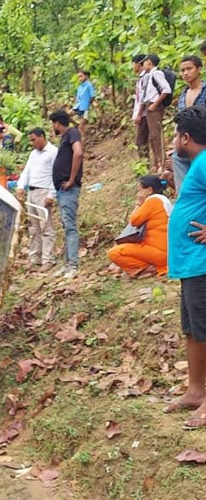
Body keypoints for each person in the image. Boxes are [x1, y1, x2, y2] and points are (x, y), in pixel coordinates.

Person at [163, 106, 206, 429]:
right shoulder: (196, 164)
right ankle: (195, 391)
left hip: (201, 262)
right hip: (190, 263)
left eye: (176, 135)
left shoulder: (204, 162)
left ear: (186, 137)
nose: (174, 141)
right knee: (193, 329)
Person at [107, 175, 171, 277]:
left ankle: (147, 268)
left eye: (140, 190)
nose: (138, 194)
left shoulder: (153, 200)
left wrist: (138, 204)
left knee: (114, 253)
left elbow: (134, 221)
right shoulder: (163, 200)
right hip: (168, 252)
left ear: (149, 190)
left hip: (160, 253)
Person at [15, 128, 59, 273]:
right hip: (32, 191)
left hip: (43, 191)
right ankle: (35, 258)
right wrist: (21, 186)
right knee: (34, 228)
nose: (32, 143)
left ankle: (48, 259)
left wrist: (51, 194)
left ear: (42, 137)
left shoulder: (53, 152)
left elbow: (56, 174)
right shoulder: (33, 154)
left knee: (46, 227)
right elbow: (26, 171)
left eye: (34, 140)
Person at [165, 56, 206, 191]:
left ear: (199, 69)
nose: (185, 73)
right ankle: (184, 194)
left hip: (201, 140)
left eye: (189, 69)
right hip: (186, 140)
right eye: (182, 70)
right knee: (177, 158)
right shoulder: (183, 95)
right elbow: (180, 122)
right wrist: (175, 143)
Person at [50, 110, 83, 278]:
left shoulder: (72, 132)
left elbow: (78, 153)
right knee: (66, 225)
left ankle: (73, 266)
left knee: (70, 226)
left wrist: (71, 180)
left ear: (57, 123)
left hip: (68, 188)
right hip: (62, 189)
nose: (52, 127)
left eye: (53, 124)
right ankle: (68, 263)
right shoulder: (66, 137)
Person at [138, 54, 172, 173]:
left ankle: (162, 162)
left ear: (149, 62)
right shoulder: (150, 75)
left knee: (156, 135)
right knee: (153, 136)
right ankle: (157, 162)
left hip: (154, 106)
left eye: (145, 62)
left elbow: (166, 89)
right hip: (150, 106)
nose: (143, 65)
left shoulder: (156, 74)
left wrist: (155, 104)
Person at [132, 54, 148, 161]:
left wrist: (139, 114)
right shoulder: (141, 78)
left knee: (141, 141)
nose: (133, 67)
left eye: (133, 64)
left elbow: (143, 98)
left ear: (138, 64)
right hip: (142, 114)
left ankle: (144, 163)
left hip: (144, 114)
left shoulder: (145, 77)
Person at [70, 70, 96, 137]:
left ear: (86, 76)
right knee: (66, 115)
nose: (80, 78)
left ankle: (82, 141)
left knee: (81, 127)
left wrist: (88, 105)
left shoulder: (89, 85)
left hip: (85, 107)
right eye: (79, 77)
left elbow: (92, 96)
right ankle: (75, 124)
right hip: (78, 106)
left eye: (81, 76)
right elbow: (77, 97)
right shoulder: (80, 87)